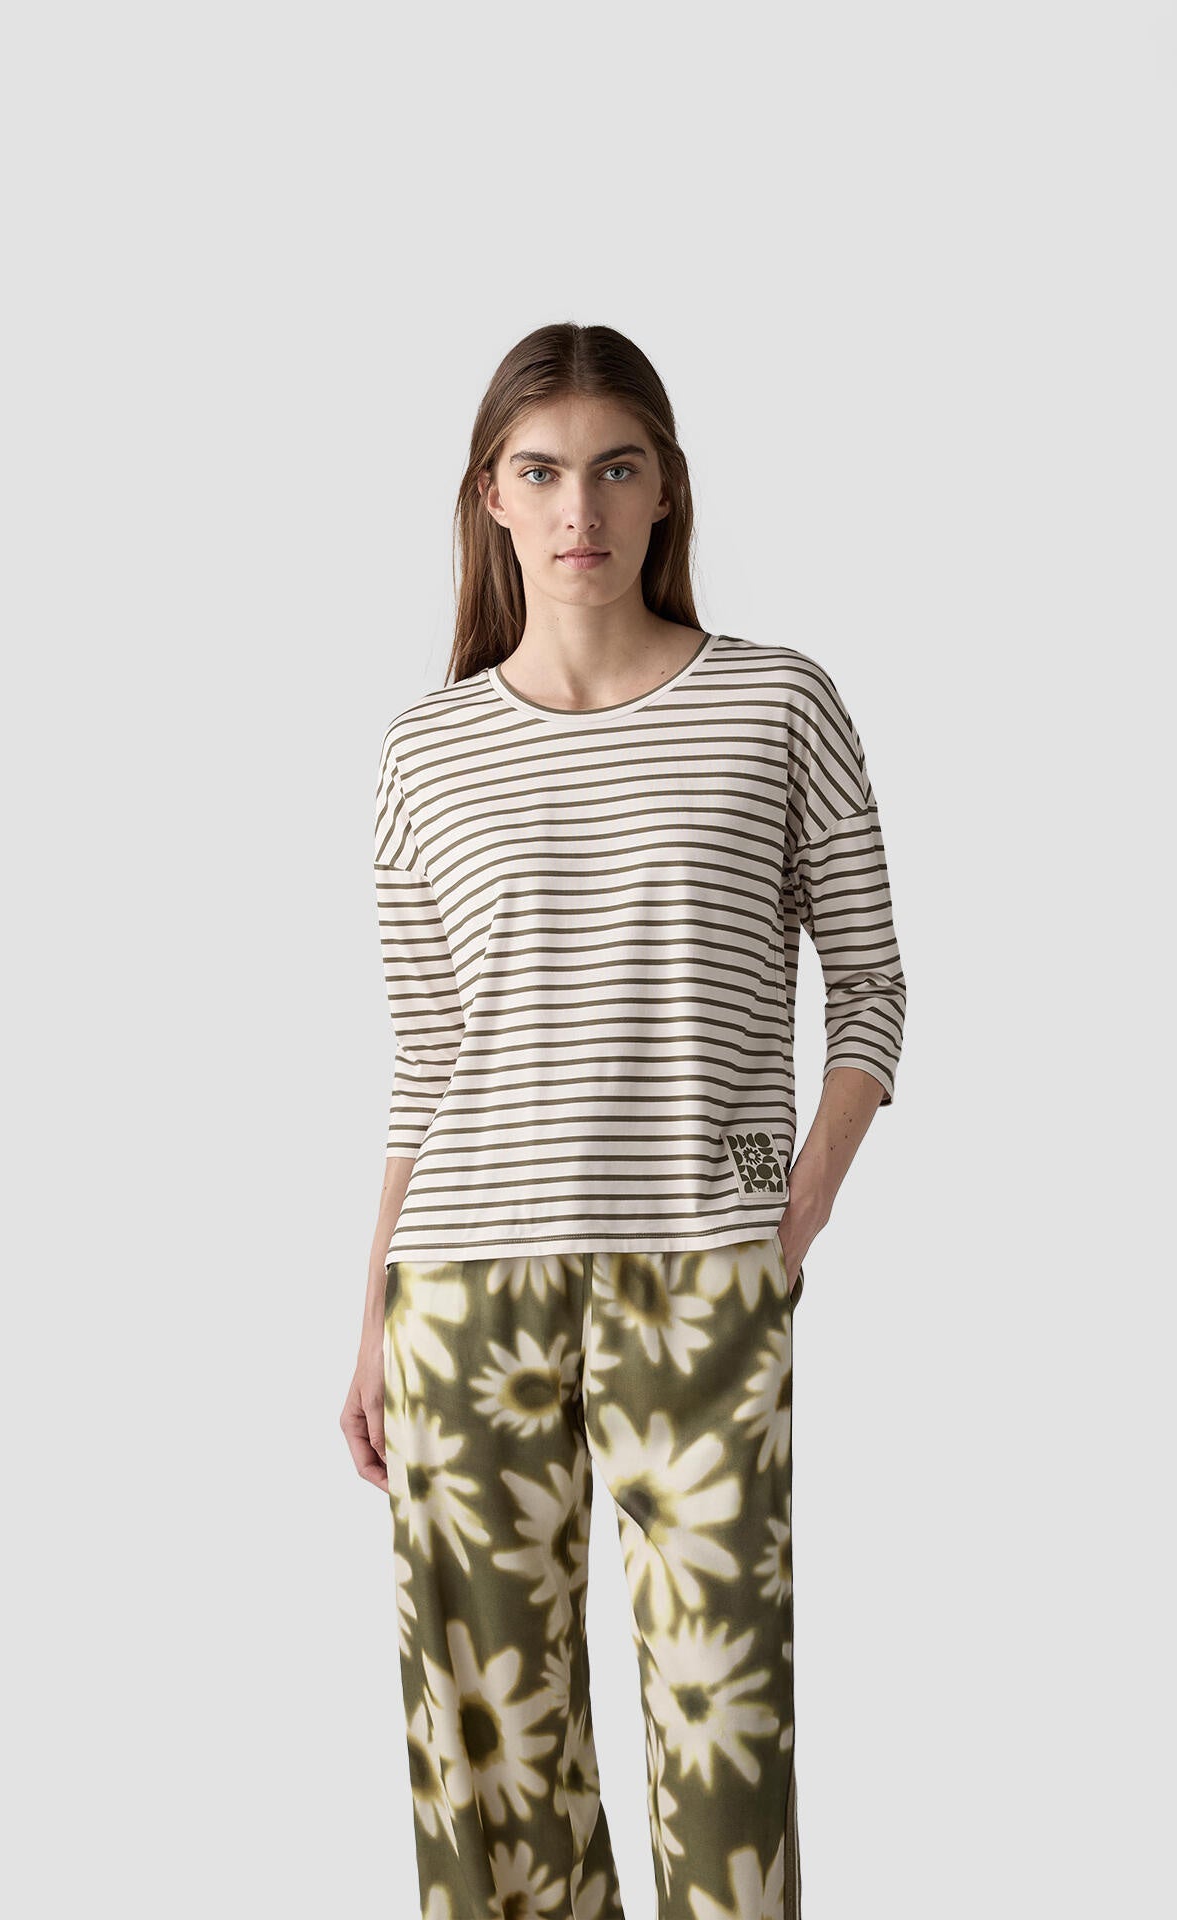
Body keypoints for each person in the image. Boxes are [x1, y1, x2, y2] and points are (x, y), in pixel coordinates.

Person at [341, 322, 907, 1920]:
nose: (577, 505)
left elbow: (872, 985)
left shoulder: (776, 703)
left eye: (614, 468)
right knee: (490, 1755)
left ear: (665, 491)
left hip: (700, 1277)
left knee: (725, 1738)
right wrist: (371, 1317)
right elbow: (426, 1056)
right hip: (464, 1292)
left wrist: (793, 1212)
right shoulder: (424, 750)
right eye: (540, 472)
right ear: (491, 498)